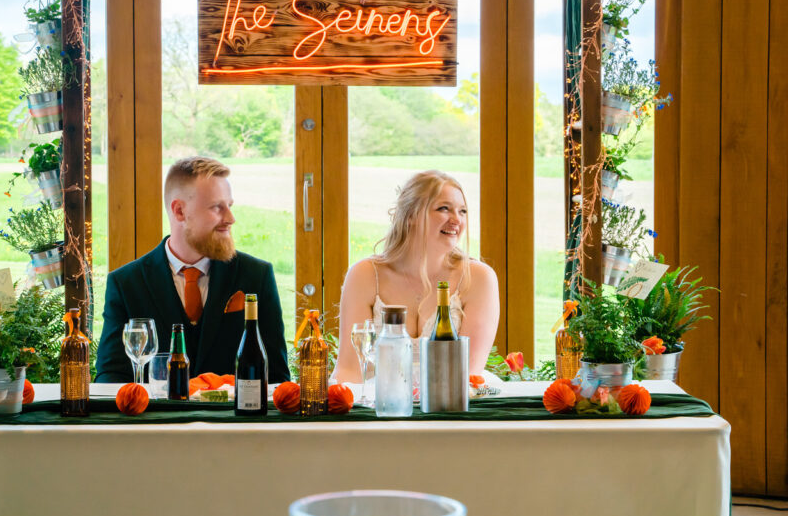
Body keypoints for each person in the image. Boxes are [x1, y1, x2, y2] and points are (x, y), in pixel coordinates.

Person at [96, 156, 291, 383]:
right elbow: (111, 379)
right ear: (179, 211)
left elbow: (277, 379)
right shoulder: (126, 284)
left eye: (229, 206)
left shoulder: (257, 276)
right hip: (157, 418)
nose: (230, 218)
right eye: (217, 207)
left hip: (234, 418)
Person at [332, 170, 500, 384]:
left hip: (451, 405)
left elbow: (469, 373)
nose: (456, 220)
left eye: (463, 211)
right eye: (444, 209)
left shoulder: (478, 278)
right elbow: (349, 371)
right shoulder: (364, 275)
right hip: (378, 406)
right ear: (410, 215)